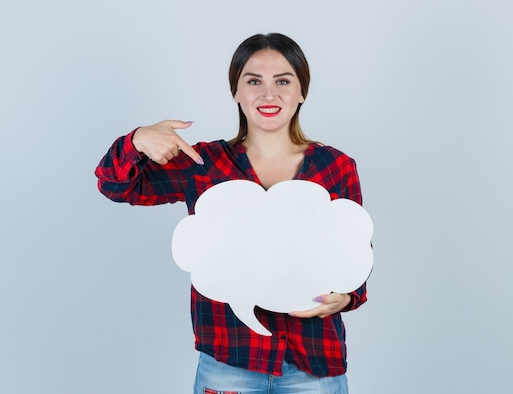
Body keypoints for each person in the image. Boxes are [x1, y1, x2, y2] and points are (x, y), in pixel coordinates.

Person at [95, 33, 367, 394]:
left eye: (283, 81)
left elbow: (354, 254)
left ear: (302, 91)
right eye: (253, 81)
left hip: (314, 367)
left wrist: (348, 297)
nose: (268, 95)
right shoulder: (203, 164)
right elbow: (116, 186)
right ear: (236, 92)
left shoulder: (335, 167)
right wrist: (136, 142)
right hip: (230, 365)